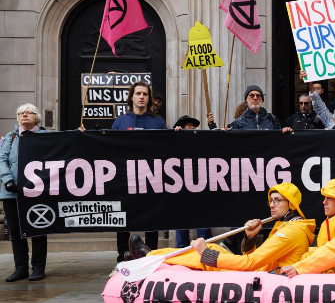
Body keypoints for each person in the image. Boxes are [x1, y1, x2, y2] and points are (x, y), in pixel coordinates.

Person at [128, 183, 316, 272]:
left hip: (263, 279)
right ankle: (150, 256)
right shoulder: (288, 225)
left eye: (277, 201)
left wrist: (205, 255)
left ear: (291, 204)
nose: (272, 205)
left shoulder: (291, 231)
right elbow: (251, 258)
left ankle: (148, 257)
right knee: (215, 248)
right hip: (261, 272)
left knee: (205, 254)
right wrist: (250, 237)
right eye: (270, 201)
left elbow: (249, 264)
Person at [111, 81, 168, 262]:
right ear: (131, 97)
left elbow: (167, 147)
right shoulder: (120, 121)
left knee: (152, 218)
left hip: (150, 178)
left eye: (145, 94)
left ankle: (151, 256)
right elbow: (107, 147)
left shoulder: (158, 122)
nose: (142, 97)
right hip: (125, 178)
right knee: (123, 218)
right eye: (138, 94)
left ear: (149, 98)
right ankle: (122, 256)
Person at [0, 104, 48, 282]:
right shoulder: (11, 137)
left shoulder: (45, 136)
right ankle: (21, 268)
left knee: (38, 228)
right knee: (15, 231)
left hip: (37, 191)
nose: (25, 115)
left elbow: (64, 145)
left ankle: (38, 267)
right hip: (11, 192)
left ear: (37, 118)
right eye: (21, 113)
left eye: (29, 112)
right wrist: (7, 180)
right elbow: (2, 159)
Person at [171, 115, 212, 247]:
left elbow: (216, 142)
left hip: (201, 185)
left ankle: (205, 248)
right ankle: (182, 249)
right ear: (181, 127)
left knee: (203, 218)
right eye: (188, 125)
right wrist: (175, 136)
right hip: (181, 187)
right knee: (182, 219)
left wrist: (212, 125)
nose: (192, 127)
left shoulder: (201, 140)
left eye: (193, 125)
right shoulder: (176, 141)